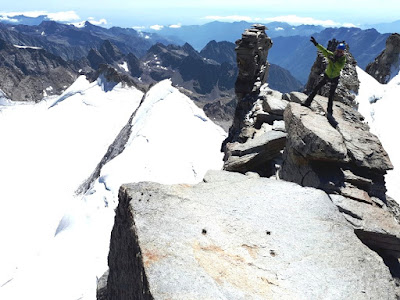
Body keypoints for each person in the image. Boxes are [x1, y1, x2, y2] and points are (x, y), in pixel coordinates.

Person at [302, 37, 346, 119]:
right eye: (338, 51)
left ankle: (329, 111)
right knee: (316, 88)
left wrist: (333, 61)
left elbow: (340, 66)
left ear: (343, 52)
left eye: (341, 51)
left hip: (335, 78)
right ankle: (307, 102)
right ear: (336, 50)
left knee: (331, 95)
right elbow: (324, 50)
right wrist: (316, 44)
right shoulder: (331, 55)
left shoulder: (343, 59)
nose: (339, 53)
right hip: (327, 75)